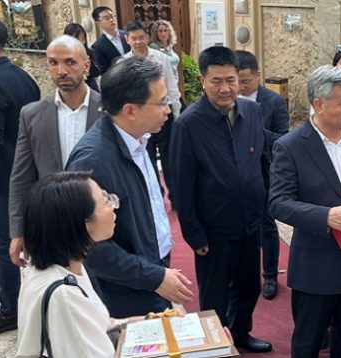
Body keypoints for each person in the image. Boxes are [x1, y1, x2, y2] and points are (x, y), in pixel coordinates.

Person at [269, 64, 341, 357]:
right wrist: (326, 217)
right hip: (316, 266)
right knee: (308, 343)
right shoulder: (291, 146)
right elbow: (278, 202)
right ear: (319, 104)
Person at [66, 56, 194, 318]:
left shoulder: (138, 137)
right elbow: (87, 245)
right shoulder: (93, 161)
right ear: (130, 110)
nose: (168, 109)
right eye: (160, 102)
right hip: (123, 293)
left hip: (149, 269)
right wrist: (154, 277)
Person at [169, 46, 272, 353]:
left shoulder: (251, 111)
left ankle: (240, 333)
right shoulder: (187, 124)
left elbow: (261, 161)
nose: (226, 88)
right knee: (215, 296)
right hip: (213, 230)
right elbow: (181, 184)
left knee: (249, 287)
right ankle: (213, 346)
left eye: (231, 80)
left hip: (250, 222)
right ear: (202, 80)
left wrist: (264, 201)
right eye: (217, 81)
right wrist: (194, 232)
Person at [9, 35, 101, 272]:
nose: (61, 70)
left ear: (86, 65)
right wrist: (18, 231)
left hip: (101, 223)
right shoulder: (32, 115)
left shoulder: (108, 112)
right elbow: (21, 177)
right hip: (53, 226)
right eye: (53, 63)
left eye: (70, 62)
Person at [16, 172, 119, 357]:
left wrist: (147, 321)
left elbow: (100, 323)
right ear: (83, 224)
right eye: (106, 202)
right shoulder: (64, 294)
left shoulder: (57, 267)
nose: (113, 206)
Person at [236, 50, 290, 300]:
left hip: (263, 172)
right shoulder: (224, 99)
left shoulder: (274, 102)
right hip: (232, 174)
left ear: (258, 75)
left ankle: (269, 275)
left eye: (245, 81)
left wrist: (255, 130)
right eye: (236, 80)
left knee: (266, 225)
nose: (239, 86)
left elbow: (282, 140)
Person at [0, 19, 40, 333]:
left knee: (5, 245)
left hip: (4, 177)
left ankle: (11, 308)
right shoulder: (24, 76)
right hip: (26, 173)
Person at [124, 21, 181, 203]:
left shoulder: (160, 58)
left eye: (141, 37)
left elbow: (172, 87)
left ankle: (175, 196)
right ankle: (154, 195)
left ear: (148, 37)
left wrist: (177, 115)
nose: (138, 42)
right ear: (127, 40)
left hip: (164, 114)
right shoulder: (124, 63)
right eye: (134, 38)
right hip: (140, 119)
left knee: (169, 157)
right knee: (146, 157)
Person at [91, 6, 130, 75]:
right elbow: (104, 72)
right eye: (106, 18)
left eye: (112, 16)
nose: (112, 20)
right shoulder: (97, 46)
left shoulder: (127, 35)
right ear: (98, 23)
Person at [63, 23, 101, 92]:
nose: (81, 42)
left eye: (83, 39)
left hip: (91, 88)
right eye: (77, 39)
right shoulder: (63, 57)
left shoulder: (89, 52)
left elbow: (97, 72)